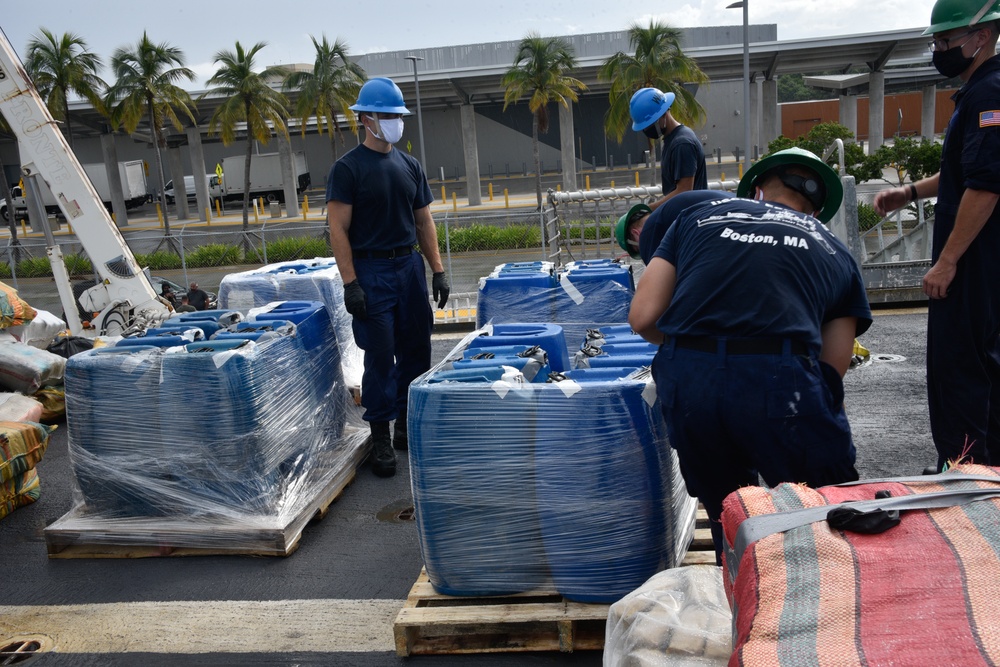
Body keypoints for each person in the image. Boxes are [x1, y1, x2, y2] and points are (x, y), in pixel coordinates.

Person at [628, 147, 873, 561]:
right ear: (816, 213)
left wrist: (699, 349)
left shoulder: (696, 218)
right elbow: (832, 366)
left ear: (757, 190)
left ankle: (743, 597)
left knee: (730, 513)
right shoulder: (834, 250)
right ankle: (817, 598)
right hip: (783, 382)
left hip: (691, 381)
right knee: (824, 509)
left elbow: (643, 317)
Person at [873, 0, 1000, 473]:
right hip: (978, 260)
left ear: (980, 36)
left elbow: (986, 185)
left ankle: (966, 468)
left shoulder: (990, 95)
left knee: (962, 367)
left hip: (975, 262)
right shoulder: (978, 92)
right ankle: (979, 466)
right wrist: (909, 192)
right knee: (976, 364)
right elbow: (962, 173)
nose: (938, 50)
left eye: (945, 41)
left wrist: (947, 261)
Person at [327, 77, 449, 479]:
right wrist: (351, 283)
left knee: (416, 348)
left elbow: (423, 220)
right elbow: (338, 229)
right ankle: (379, 432)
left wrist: (438, 270)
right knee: (380, 355)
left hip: (408, 267)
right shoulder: (347, 169)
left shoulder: (409, 166)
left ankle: (404, 428)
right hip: (372, 270)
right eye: (388, 115)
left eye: (399, 115)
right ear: (366, 119)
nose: (396, 122)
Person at [629, 87, 708, 212]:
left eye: (650, 125)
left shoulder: (682, 144)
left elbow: (684, 191)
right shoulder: (672, 139)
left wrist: (647, 210)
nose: (647, 130)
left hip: (692, 218)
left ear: (664, 114)